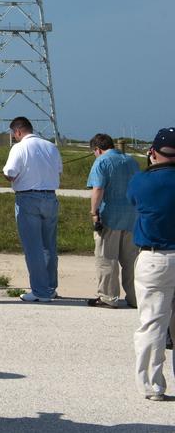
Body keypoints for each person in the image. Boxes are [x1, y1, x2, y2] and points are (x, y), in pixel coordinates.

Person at [129, 128, 175, 401]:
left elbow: (134, 201)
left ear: (153, 152)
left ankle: (152, 384)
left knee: (152, 324)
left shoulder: (141, 181)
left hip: (155, 257)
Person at [3, 116, 62, 302]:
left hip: (28, 197)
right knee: (49, 245)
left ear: (18, 131)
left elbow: (10, 173)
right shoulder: (50, 146)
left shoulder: (19, 147)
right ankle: (50, 287)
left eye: (14, 134)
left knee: (33, 247)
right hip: (50, 196)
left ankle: (40, 291)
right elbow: (59, 169)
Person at [83, 133, 139, 309]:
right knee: (131, 261)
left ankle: (108, 297)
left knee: (107, 258)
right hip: (132, 215)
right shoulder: (131, 160)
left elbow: (98, 188)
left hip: (110, 216)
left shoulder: (102, 161)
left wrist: (94, 212)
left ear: (97, 149)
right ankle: (136, 297)